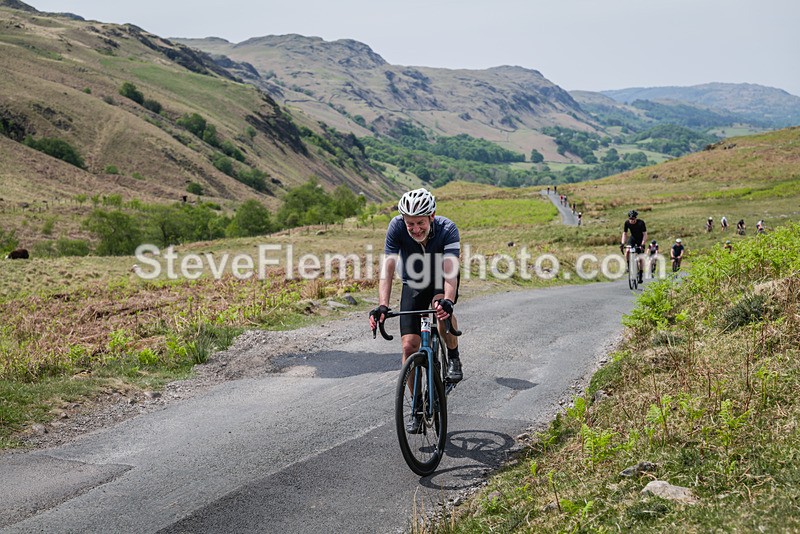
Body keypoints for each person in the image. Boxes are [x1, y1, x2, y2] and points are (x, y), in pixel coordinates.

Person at [369, 189, 462, 430]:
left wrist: (448, 301)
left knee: (440, 312)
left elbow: (451, 272)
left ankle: (453, 357)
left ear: (432, 216)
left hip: (441, 281)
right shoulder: (396, 228)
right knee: (409, 346)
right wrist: (382, 305)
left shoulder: (447, 229)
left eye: (420, 222)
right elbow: (387, 269)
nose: (416, 229)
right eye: (410, 224)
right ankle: (417, 407)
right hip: (413, 283)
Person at [621, 210, 647, 283]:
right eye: (630, 219)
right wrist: (622, 243)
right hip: (633, 238)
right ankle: (629, 266)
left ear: (636, 218)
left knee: (640, 258)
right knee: (627, 251)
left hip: (640, 239)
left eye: (633, 219)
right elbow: (625, 233)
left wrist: (642, 244)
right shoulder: (627, 223)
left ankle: (641, 274)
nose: (631, 220)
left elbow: (645, 234)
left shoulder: (641, 223)